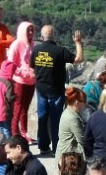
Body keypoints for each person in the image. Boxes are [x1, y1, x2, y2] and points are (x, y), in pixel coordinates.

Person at [30, 26, 86, 156]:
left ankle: (43, 146)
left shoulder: (36, 50)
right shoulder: (60, 51)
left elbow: (32, 67)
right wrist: (78, 43)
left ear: (42, 37)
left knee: (42, 118)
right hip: (56, 90)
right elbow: (78, 59)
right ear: (54, 36)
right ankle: (57, 148)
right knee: (56, 121)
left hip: (41, 89)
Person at [6, 22, 37, 145]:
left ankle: (24, 133)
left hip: (31, 81)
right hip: (19, 81)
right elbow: (10, 64)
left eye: (32, 30)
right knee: (17, 109)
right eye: (28, 30)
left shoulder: (33, 45)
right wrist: (24, 73)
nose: (30, 33)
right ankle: (15, 135)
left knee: (25, 108)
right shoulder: (16, 44)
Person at [58, 86, 89, 160]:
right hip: (69, 158)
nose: (85, 105)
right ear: (77, 103)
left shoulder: (68, 111)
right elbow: (81, 139)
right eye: (84, 102)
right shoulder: (73, 118)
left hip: (65, 154)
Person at [0, 57, 17, 139]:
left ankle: (1, 143)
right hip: (5, 110)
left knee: (1, 128)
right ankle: (9, 144)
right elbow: (9, 97)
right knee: (7, 129)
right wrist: (15, 96)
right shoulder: (8, 83)